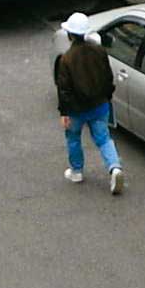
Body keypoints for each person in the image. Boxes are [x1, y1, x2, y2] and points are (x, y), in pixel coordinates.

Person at [52, 15, 123, 190]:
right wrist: (107, 97)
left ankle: (77, 171)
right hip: (99, 106)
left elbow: (64, 89)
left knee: (73, 138)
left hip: (76, 110)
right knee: (104, 138)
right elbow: (108, 77)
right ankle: (114, 167)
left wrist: (64, 112)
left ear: (70, 35)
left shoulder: (66, 59)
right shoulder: (99, 51)